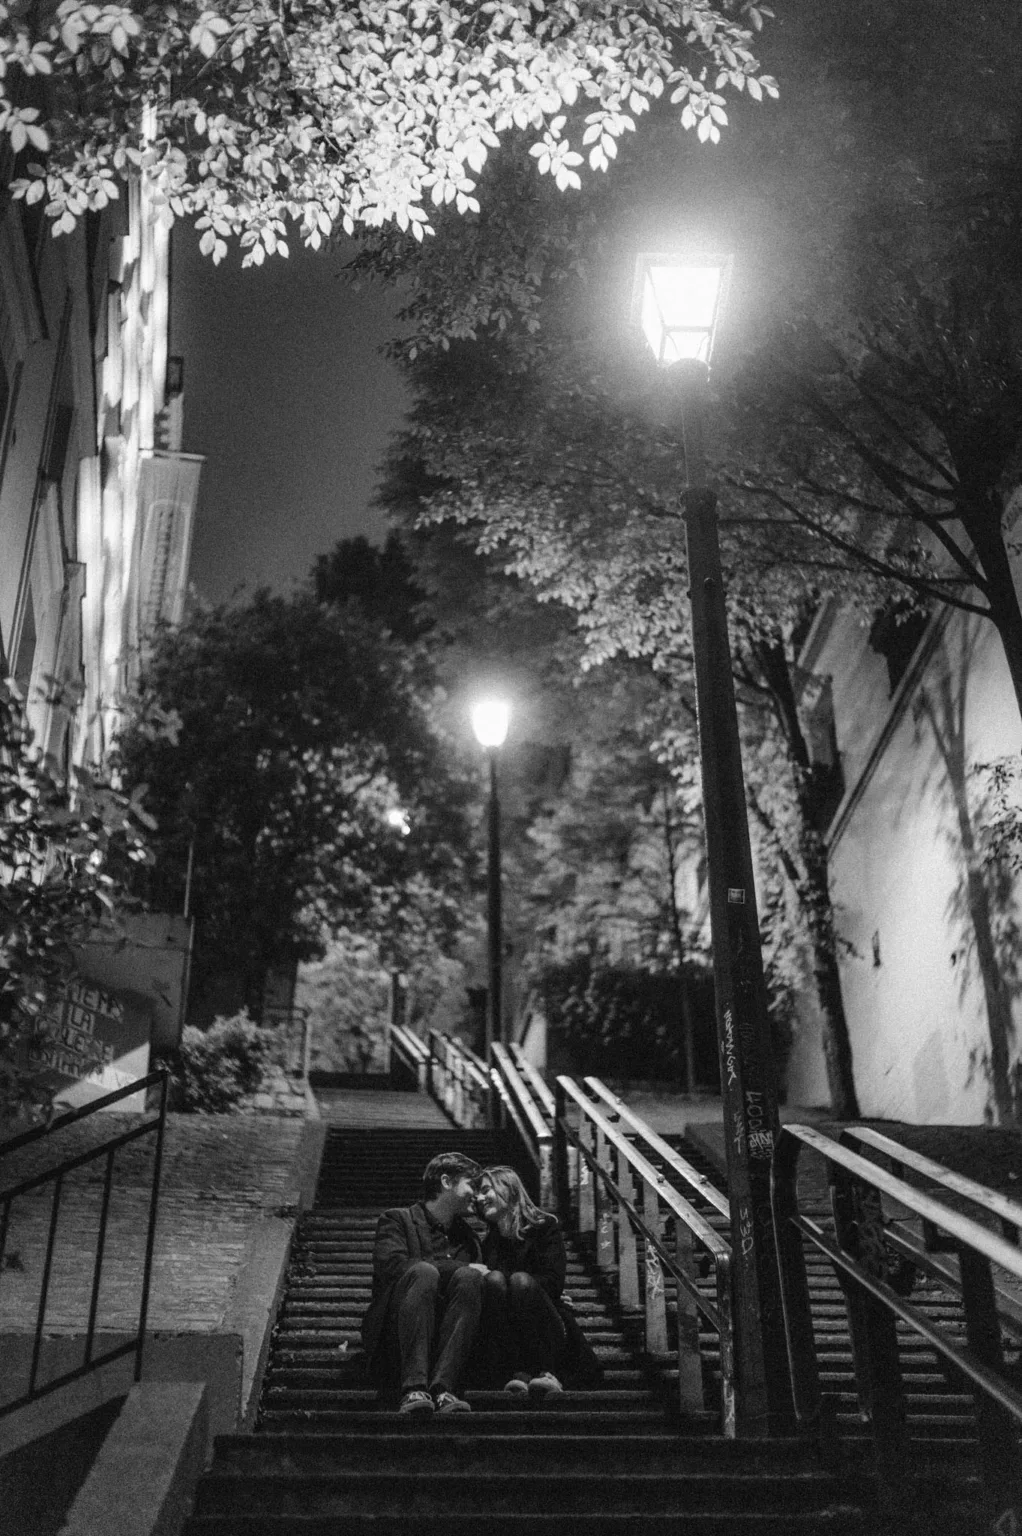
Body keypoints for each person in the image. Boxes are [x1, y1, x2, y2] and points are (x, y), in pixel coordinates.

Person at [360, 1151, 486, 1415]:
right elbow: (392, 1266)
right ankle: (413, 1388)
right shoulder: (397, 1219)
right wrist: (457, 1266)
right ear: (446, 1182)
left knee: (470, 1277)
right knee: (424, 1272)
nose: (477, 1194)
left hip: (447, 1338)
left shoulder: (469, 1237)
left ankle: (444, 1389)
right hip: (398, 1334)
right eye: (472, 1185)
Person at [474, 1164, 601, 1396]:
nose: (479, 1198)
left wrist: (525, 1287)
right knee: (494, 1281)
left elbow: (553, 1282)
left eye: (485, 1190)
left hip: (548, 1325)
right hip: (509, 1332)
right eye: (478, 1193)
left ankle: (547, 1372)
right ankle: (516, 1372)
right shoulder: (488, 1242)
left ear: (508, 1189)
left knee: (520, 1282)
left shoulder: (544, 1227)